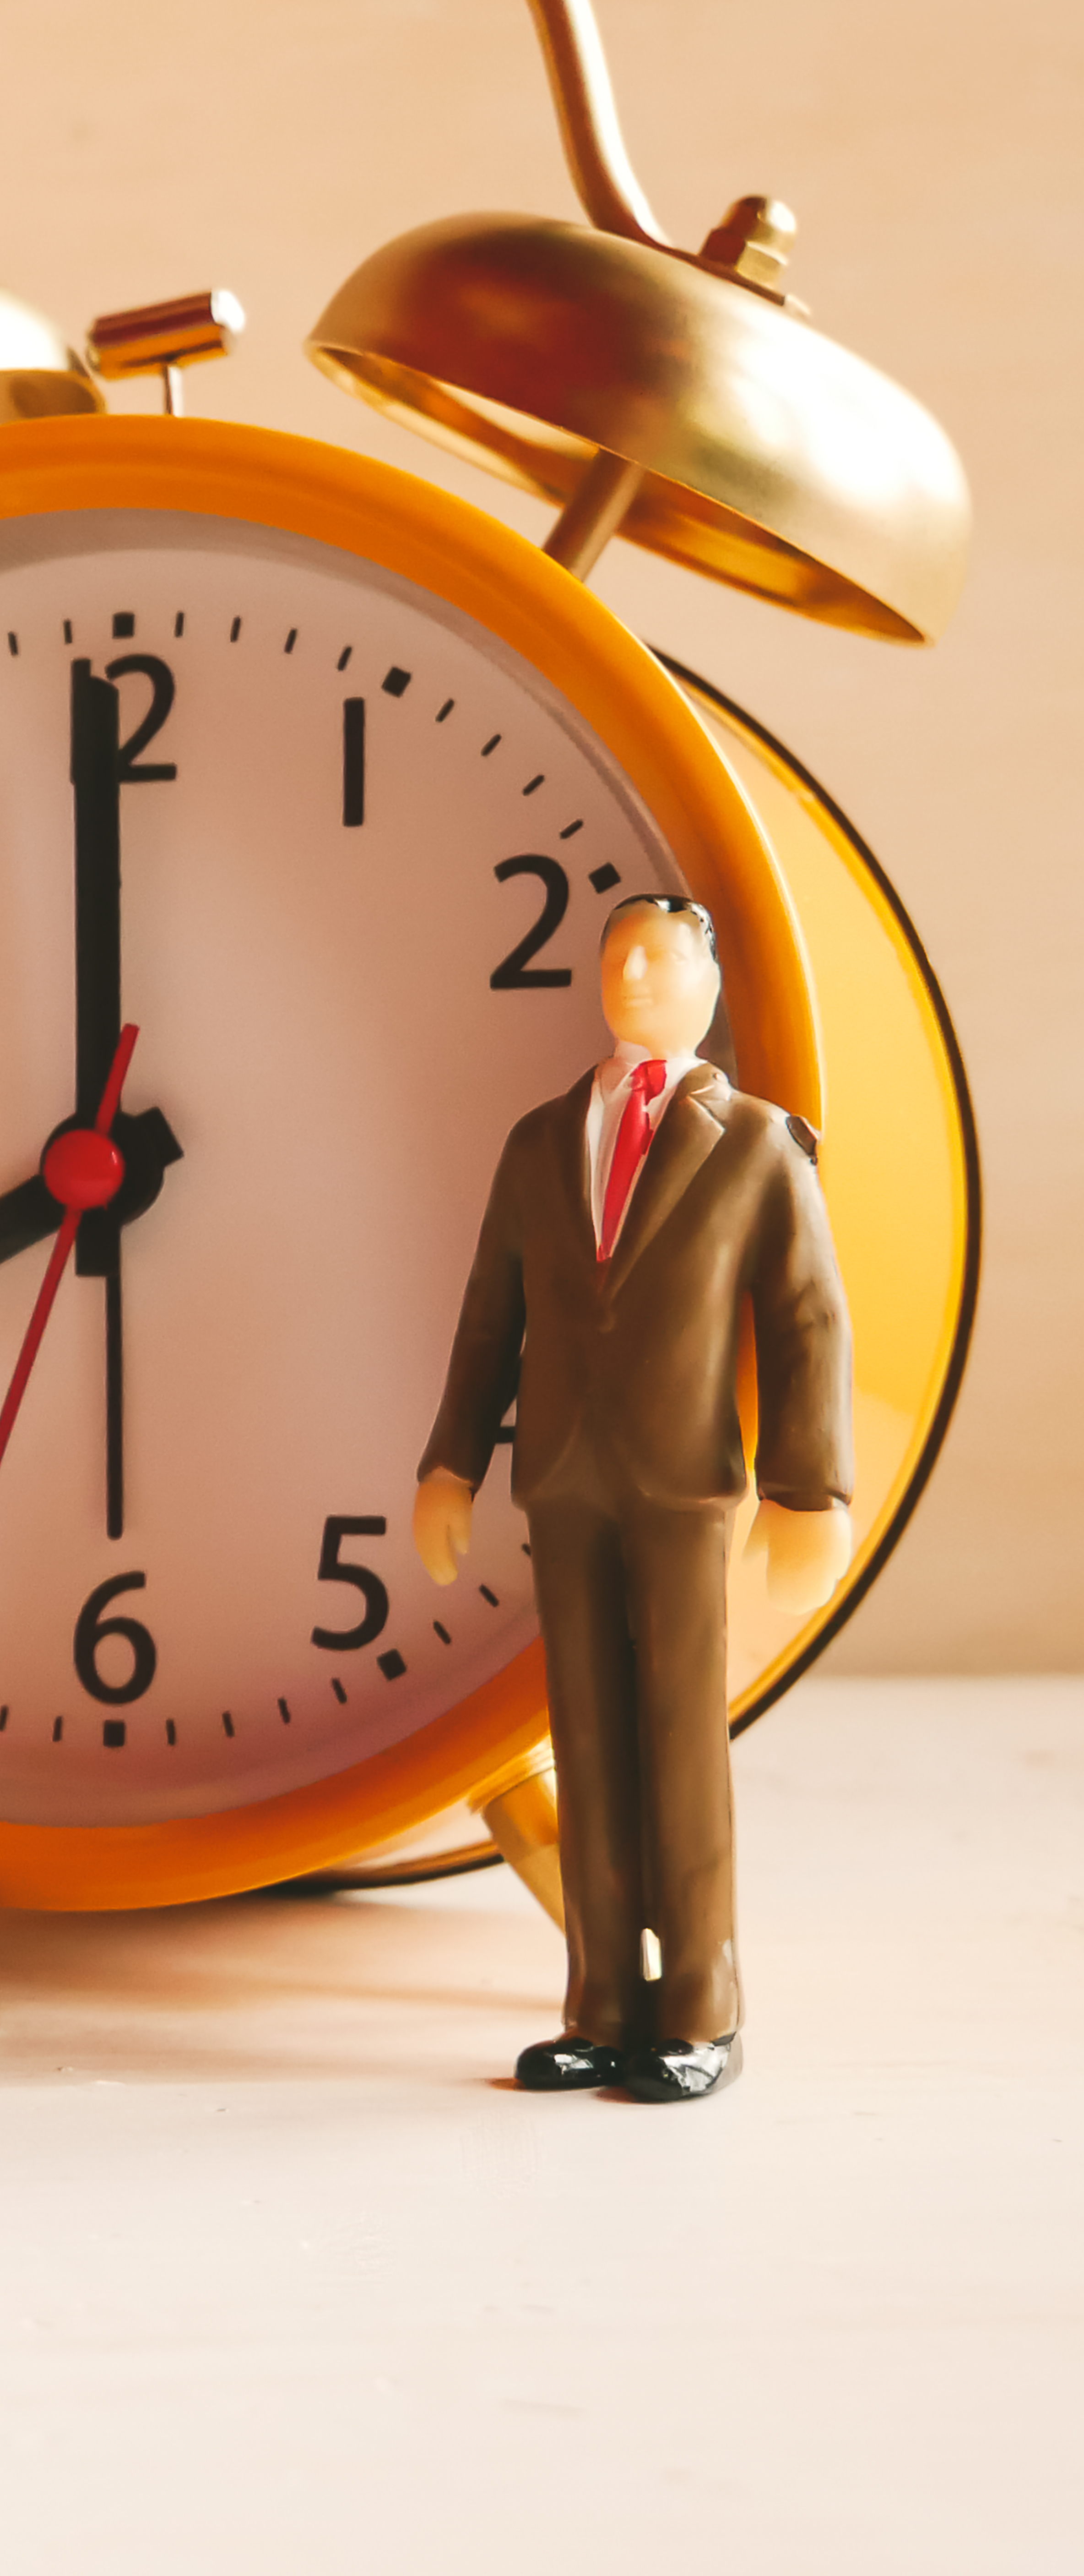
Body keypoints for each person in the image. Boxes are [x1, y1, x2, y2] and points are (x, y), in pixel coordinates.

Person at [414, 894, 853, 2103]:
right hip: (564, 1474)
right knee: (591, 1741)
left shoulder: (759, 1145)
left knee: (679, 1740)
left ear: (711, 987)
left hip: (684, 1481)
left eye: (664, 958)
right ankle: (601, 1999)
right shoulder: (542, 1140)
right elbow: (489, 1317)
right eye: (621, 958)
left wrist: (810, 1489)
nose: (640, 975)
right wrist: (451, 1462)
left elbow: (811, 1319)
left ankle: (702, 2005)